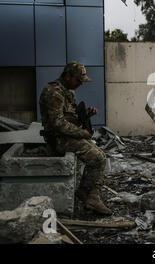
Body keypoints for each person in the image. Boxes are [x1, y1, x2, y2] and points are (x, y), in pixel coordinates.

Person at [39, 61, 112, 216]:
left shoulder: (68, 91)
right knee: (98, 158)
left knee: (100, 156)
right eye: (78, 80)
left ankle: (89, 195)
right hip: (58, 139)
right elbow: (57, 123)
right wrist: (81, 133)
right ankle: (89, 196)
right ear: (67, 76)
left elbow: (70, 117)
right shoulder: (54, 92)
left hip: (67, 136)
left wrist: (87, 114)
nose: (80, 84)